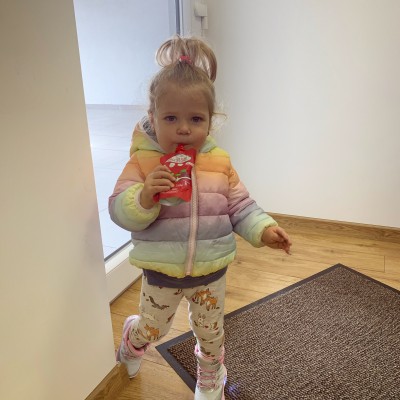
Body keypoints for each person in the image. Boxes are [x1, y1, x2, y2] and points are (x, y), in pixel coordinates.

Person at [108, 35, 292, 400]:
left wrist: (263, 229)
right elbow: (118, 209)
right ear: (153, 118)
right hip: (161, 273)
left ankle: (211, 375)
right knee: (153, 328)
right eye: (171, 118)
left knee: (211, 333)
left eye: (195, 119)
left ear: (210, 122)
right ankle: (133, 339)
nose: (183, 128)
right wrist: (144, 196)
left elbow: (240, 205)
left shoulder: (219, 162)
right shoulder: (142, 163)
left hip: (211, 272)